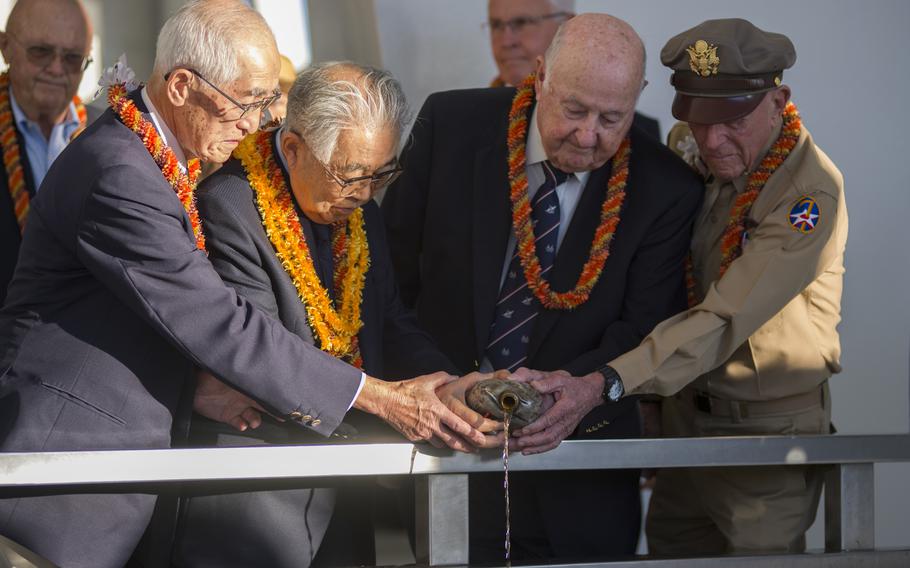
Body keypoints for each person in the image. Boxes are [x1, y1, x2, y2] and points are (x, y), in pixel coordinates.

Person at [0, 2, 484, 567]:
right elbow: (218, 321)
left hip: (117, 473)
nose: (256, 124)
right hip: (65, 472)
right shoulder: (120, 171)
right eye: (245, 102)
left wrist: (443, 387)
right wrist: (377, 397)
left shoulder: (157, 160)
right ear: (181, 86)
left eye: (264, 104)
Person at [382, 13, 703, 562]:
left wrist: (577, 393)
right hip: (446, 448)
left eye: (611, 117)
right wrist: (440, 386)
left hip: (582, 476)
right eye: (574, 110)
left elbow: (645, 326)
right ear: (540, 75)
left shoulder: (665, 185)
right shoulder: (454, 126)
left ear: (638, 98)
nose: (588, 135)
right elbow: (389, 284)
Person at [529, 18, 848, 555]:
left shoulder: (807, 198)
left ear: (779, 100)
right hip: (681, 427)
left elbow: (723, 317)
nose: (712, 139)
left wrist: (607, 380)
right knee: (671, 557)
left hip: (760, 441)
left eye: (733, 120)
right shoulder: (690, 148)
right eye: (698, 121)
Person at [173, 61, 493, 568]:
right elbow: (263, 360)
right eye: (351, 174)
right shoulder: (228, 207)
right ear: (294, 147)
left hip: (345, 490)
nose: (366, 194)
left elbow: (388, 320)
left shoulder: (357, 208)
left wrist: (444, 387)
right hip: (253, 500)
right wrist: (387, 400)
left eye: (381, 174)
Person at [0, 0, 96, 305]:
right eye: (40, 51)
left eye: (72, 58)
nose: (56, 68)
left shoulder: (111, 133)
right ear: (5, 47)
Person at [486, 0, 660, 140]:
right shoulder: (468, 119)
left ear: (567, 23)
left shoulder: (643, 135)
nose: (506, 42)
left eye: (522, 22)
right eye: (496, 25)